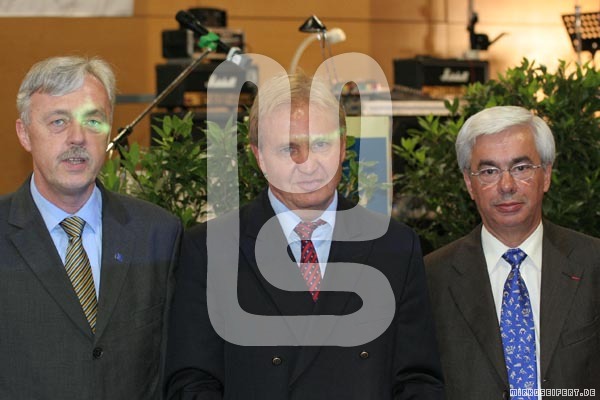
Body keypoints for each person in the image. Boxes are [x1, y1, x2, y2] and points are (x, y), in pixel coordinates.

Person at [164, 72, 444, 399]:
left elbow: (418, 380)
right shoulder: (210, 250)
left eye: (321, 144)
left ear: (343, 147)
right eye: (289, 148)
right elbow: (191, 383)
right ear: (259, 156)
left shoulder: (394, 246)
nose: (308, 165)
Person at [0, 55, 182, 400]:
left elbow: (171, 367)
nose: (77, 138)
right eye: (58, 121)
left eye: (93, 120)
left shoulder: (158, 233)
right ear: (25, 134)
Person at [425, 106, 600, 400]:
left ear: (546, 175)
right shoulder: (431, 278)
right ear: (469, 183)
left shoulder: (593, 263)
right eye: (489, 171)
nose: (506, 186)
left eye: (521, 168)